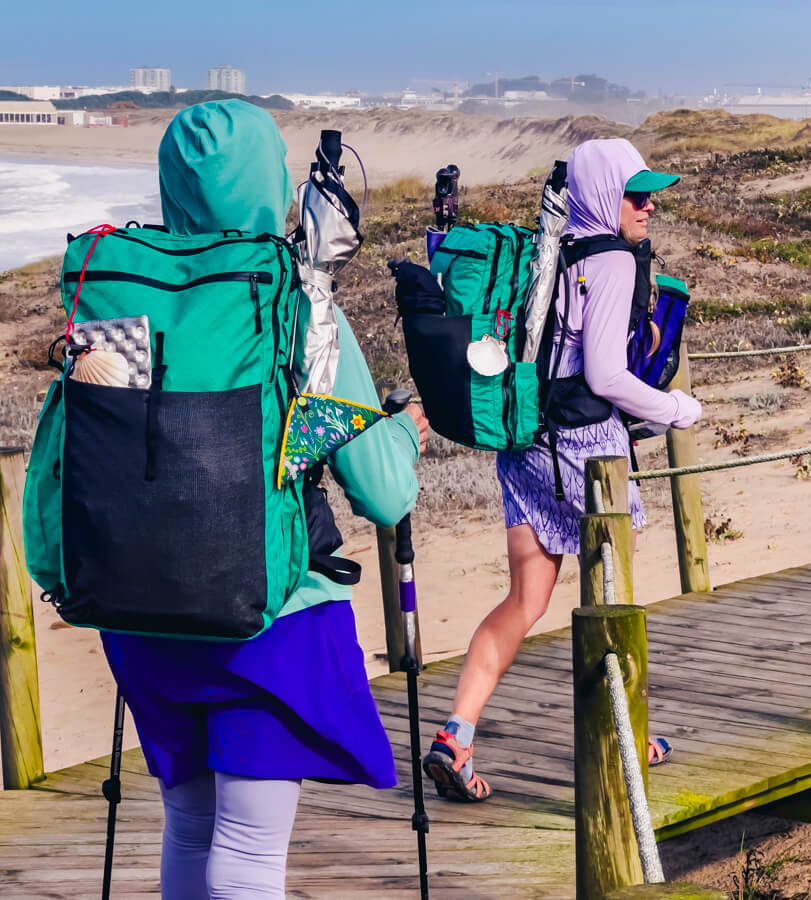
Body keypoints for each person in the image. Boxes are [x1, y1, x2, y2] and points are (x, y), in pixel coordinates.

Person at [99, 100, 429, 898]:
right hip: (268, 617)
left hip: (142, 612)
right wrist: (406, 434)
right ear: (272, 183)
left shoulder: (119, 295)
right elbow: (384, 493)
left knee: (189, 827)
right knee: (247, 853)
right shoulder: (296, 304)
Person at [422, 138, 702, 802]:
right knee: (614, 597)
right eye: (636, 193)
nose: (649, 204)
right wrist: (675, 408)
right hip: (587, 449)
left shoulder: (555, 249)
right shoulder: (610, 260)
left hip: (525, 441)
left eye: (650, 191)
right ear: (606, 195)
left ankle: (455, 734)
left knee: (525, 600)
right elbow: (605, 374)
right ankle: (624, 741)